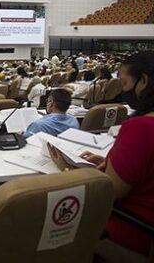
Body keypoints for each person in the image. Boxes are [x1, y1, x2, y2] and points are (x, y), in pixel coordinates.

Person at [48, 51, 154, 259]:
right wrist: (113, 163)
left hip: (132, 230)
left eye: (123, 84)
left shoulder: (141, 128)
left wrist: (67, 170)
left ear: (143, 81)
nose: (123, 90)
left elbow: (107, 193)